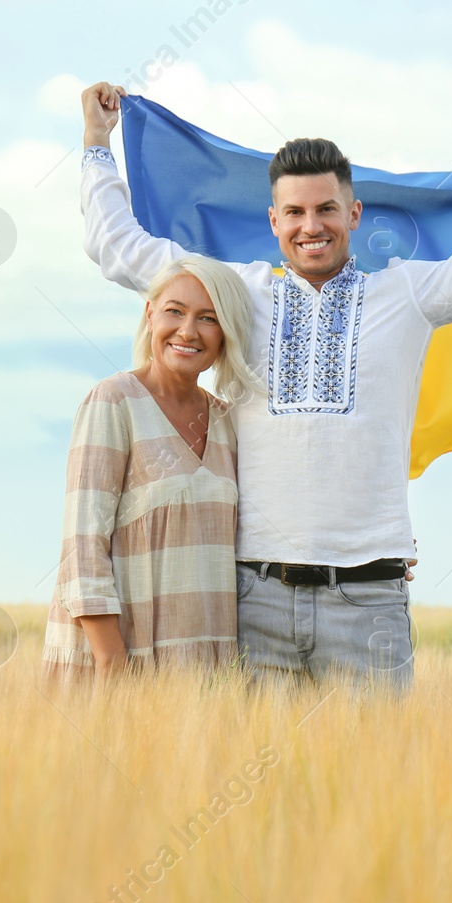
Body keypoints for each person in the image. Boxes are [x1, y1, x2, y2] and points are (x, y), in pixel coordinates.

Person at [77, 80, 452, 690]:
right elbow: (118, 248)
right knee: (261, 784)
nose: (309, 226)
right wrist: (98, 141)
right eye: (294, 212)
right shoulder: (237, 291)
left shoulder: (411, 293)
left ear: (354, 215)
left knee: (374, 785)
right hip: (251, 600)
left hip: (368, 603)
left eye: (325, 210)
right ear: (273, 220)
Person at [41, 256, 260, 683]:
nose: (188, 331)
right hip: (121, 659)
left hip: (206, 666)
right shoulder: (113, 402)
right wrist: (112, 662)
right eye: (174, 311)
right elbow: (83, 548)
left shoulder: (228, 422)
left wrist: (367, 547)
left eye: (208, 318)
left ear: (225, 334)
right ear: (150, 315)